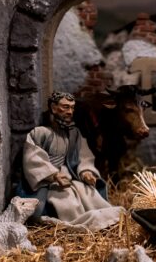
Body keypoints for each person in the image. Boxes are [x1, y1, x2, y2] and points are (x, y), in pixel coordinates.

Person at [18, 92, 122, 231]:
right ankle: (78, 224)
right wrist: (53, 175)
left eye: (72, 108)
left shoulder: (74, 134)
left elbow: (83, 156)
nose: (70, 112)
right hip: (48, 181)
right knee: (67, 202)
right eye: (65, 107)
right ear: (53, 108)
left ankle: (104, 219)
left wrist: (86, 172)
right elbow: (33, 157)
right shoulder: (40, 133)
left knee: (89, 193)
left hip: (70, 177)